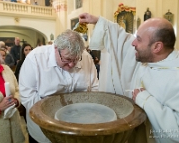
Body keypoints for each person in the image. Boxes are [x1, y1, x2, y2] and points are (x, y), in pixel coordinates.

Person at [79, 13, 179, 143]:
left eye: (139, 39)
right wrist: (99, 21)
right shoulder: (147, 56)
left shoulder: (175, 76)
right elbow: (121, 40)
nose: (133, 43)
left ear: (157, 47)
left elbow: (176, 130)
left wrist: (145, 99)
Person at [19, 29, 99, 143]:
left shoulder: (86, 57)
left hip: (80, 126)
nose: (71, 64)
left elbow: (94, 88)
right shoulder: (35, 58)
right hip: (44, 130)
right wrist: (55, 117)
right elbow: (27, 96)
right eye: (67, 59)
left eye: (76, 60)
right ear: (56, 48)